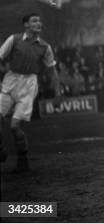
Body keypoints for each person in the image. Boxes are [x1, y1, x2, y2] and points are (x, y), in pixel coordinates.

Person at [0, 13, 61, 173]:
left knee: (14, 126)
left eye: (40, 21)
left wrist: (57, 92)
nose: (39, 23)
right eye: (34, 21)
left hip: (28, 85)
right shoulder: (14, 39)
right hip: (10, 81)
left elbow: (52, 71)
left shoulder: (45, 46)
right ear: (26, 25)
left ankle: (23, 159)